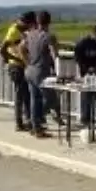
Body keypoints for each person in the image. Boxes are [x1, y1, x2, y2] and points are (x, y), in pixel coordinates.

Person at [23, 10, 59, 138]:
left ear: (37, 21)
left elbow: (22, 48)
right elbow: (55, 55)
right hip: (41, 72)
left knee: (34, 99)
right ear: (49, 21)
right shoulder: (49, 36)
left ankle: (35, 127)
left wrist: (27, 61)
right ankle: (36, 120)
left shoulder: (30, 34)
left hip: (29, 70)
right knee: (51, 99)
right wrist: (57, 71)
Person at [1, 10, 35, 131]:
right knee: (20, 94)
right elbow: (3, 49)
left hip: (23, 65)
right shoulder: (13, 31)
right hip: (16, 66)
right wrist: (14, 59)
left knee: (26, 94)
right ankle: (19, 123)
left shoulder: (23, 30)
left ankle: (28, 121)